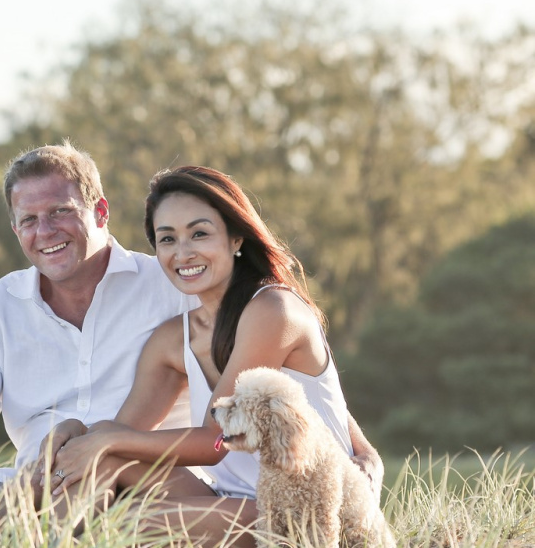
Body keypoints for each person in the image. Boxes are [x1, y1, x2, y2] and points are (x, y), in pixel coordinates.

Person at [45, 166, 383, 547]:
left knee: (131, 521)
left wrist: (103, 440)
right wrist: (81, 435)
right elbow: (126, 436)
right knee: (105, 465)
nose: (183, 252)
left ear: (236, 238)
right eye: (167, 239)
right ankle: (31, 537)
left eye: (199, 233)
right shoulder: (172, 339)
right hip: (232, 501)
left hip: (303, 513)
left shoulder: (273, 311)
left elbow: (215, 442)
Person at [0, 142, 199, 533]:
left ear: (101, 211)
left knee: (81, 489)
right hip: (31, 485)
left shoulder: (172, 287)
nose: (45, 231)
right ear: (15, 229)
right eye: (29, 220)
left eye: (60, 212)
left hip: (136, 478)